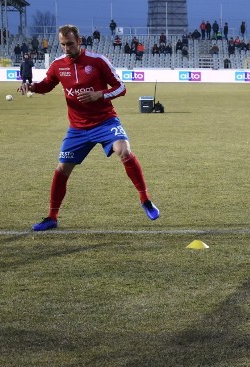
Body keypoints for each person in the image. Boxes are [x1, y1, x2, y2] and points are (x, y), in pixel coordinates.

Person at [18, 24, 159, 231]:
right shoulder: (58, 65)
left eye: (70, 44)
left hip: (105, 121)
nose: (66, 48)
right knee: (62, 169)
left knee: (124, 150)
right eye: (63, 45)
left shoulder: (97, 61)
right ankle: (52, 217)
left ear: (79, 41)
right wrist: (32, 87)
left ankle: (145, 200)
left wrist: (99, 94)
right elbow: (47, 84)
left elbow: (121, 87)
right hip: (77, 128)